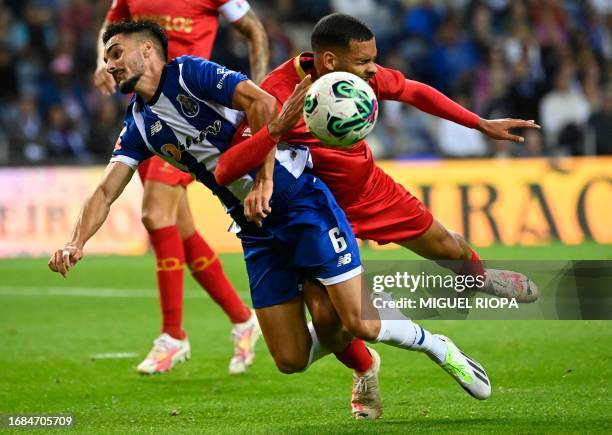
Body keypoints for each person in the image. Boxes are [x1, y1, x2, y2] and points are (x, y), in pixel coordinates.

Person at [50, 20, 491, 420]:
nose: (109, 65)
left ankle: (439, 346)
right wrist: (77, 241)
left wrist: (263, 179)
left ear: (148, 50)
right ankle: (363, 360)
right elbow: (106, 190)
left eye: (115, 52)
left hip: (301, 202)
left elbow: (261, 103)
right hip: (255, 228)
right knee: (290, 359)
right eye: (106, 57)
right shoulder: (140, 126)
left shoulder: (189, 74)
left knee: (357, 322)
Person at [222, 13, 540, 304]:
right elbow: (242, 150)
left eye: (373, 60)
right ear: (330, 60)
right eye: (364, 61)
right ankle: (361, 358)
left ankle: (482, 279)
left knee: (448, 247)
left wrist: (478, 122)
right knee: (332, 312)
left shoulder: (360, 75)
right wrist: (260, 185)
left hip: (370, 188)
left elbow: (414, 92)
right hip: (315, 205)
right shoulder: (277, 93)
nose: (373, 68)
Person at [93, 0, 270, 375]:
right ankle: (242, 319)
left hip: (191, 119)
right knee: (182, 233)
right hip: (149, 121)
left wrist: (259, 89)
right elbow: (109, 29)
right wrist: (100, 61)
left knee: (154, 214)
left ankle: (173, 334)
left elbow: (253, 29)